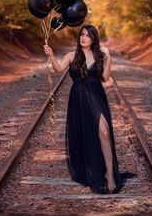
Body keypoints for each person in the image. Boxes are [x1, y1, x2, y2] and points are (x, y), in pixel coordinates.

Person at [44, 24, 123, 194]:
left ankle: (109, 174)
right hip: (79, 99)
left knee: (104, 131)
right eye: (82, 34)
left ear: (94, 38)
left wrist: (108, 57)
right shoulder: (72, 55)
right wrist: (51, 55)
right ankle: (91, 169)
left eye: (87, 35)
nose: (83, 37)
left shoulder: (99, 55)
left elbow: (105, 78)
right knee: (87, 134)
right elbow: (58, 69)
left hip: (96, 95)